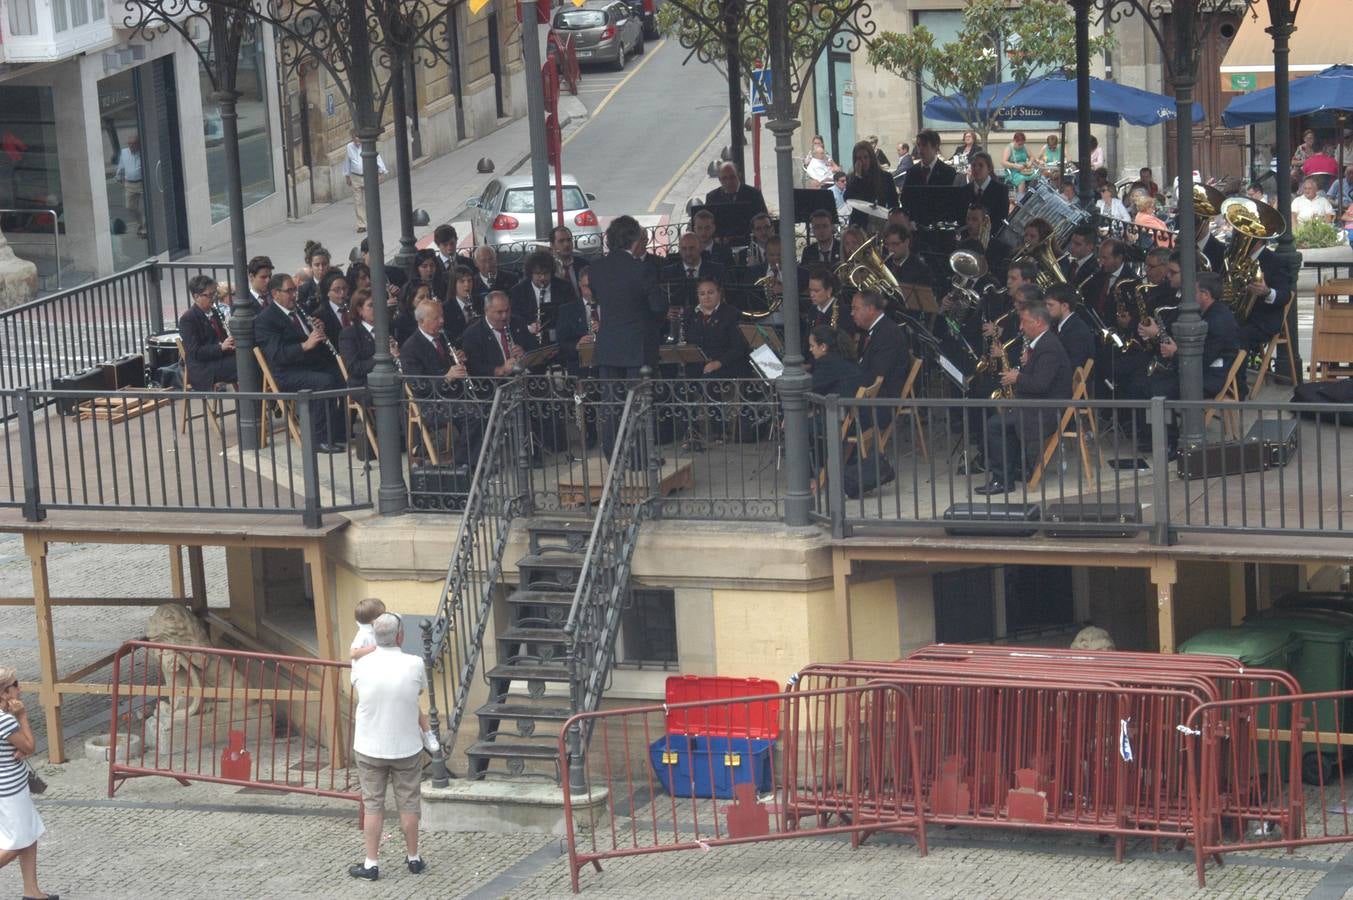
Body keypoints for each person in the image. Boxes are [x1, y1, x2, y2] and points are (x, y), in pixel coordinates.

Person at [348, 613, 432, 881]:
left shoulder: (362, 665)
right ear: (400, 636)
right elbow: (416, 694)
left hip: (369, 745)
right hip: (406, 745)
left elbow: (359, 686)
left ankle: (371, 863)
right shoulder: (415, 664)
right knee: (409, 804)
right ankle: (414, 858)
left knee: (373, 805)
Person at [975, 303, 1073, 495]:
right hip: (1037, 408)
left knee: (995, 425)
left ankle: (1002, 480)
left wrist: (1016, 377)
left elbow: (1040, 385)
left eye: (1024, 322)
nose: (1020, 327)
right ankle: (1014, 471)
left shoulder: (1048, 347)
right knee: (1002, 422)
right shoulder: (1043, 344)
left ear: (1037, 322)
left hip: (1044, 413)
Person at [254, 273, 346, 451]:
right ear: (275, 294)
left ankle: (338, 430)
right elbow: (277, 355)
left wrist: (318, 330)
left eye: (294, 290)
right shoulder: (266, 320)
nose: (294, 295)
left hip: (309, 364)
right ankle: (318, 439)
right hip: (287, 372)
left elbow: (309, 338)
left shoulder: (300, 309)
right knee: (324, 381)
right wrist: (305, 345)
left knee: (342, 373)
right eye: (289, 291)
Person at [0, 666, 55, 900]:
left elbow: (21, 746)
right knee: (17, 843)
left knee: (29, 834)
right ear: (4, 693)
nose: (19, 689)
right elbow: (30, 747)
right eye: (15, 685)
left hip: (7, 789)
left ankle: (32, 892)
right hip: (10, 791)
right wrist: (22, 717)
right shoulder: (6, 722)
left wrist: (20, 744)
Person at [589, 216, 667, 379]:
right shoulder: (642, 269)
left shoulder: (596, 269)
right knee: (638, 401)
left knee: (611, 401)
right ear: (635, 240)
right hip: (638, 348)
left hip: (607, 346)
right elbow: (658, 306)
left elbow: (597, 300)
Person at [178, 274, 237, 390]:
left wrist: (231, 343)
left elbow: (222, 338)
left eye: (213, 294)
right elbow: (195, 352)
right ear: (196, 296)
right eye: (208, 295)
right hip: (203, 368)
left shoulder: (214, 312)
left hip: (219, 360)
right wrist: (220, 347)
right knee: (245, 365)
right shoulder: (188, 319)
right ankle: (250, 404)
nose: (213, 298)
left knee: (248, 357)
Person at [461, 291, 538, 377]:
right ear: (486, 311)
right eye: (499, 312)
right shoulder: (473, 334)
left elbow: (535, 350)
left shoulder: (518, 322)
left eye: (507, 310)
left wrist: (525, 356)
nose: (505, 316)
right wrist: (500, 370)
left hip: (525, 380)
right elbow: (474, 368)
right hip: (495, 385)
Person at [508, 249, 576, 344]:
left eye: (546, 273)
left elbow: (572, 314)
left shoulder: (565, 287)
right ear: (530, 273)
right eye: (538, 274)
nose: (543, 278)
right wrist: (529, 327)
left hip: (561, 341)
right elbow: (514, 318)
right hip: (530, 343)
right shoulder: (518, 291)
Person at [663, 232, 726, 320]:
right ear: (679, 250)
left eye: (691, 248)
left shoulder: (717, 270)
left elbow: (724, 300)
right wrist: (666, 311)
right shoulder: (668, 272)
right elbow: (661, 301)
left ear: (700, 248)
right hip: (679, 323)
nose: (688, 253)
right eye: (684, 249)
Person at [338, 288, 387, 387]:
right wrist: (384, 357)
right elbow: (354, 368)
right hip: (364, 384)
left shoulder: (387, 328)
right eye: (371, 305)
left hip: (390, 380)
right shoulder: (349, 334)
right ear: (359, 310)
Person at [1045, 283, 1096, 374]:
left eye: (1050, 305)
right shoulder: (1055, 326)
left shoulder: (1078, 332)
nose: (1046, 308)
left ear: (1064, 306)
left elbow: (1071, 368)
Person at [343, 130, 387, 234]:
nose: (356, 140)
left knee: (370, 200)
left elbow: (377, 157)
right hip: (355, 177)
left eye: (357, 138)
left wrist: (381, 172)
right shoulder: (349, 147)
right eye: (354, 138)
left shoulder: (368, 145)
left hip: (368, 176)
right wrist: (347, 176)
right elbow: (347, 162)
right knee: (358, 201)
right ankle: (361, 224)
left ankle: (372, 222)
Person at [808, 325, 867, 396]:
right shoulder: (843, 356)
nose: (810, 349)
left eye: (812, 346)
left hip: (841, 405)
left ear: (823, 347)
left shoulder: (826, 364)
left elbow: (812, 388)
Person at [965, 152, 1009, 231]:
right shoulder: (965, 190)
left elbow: (1001, 219)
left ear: (989, 168)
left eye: (981, 165)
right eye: (974, 165)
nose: (976, 169)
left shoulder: (1001, 190)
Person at [115, 133, 145, 237]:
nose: (131, 146)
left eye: (133, 144)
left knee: (145, 206)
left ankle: (145, 227)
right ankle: (141, 224)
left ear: (138, 144)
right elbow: (121, 166)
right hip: (129, 184)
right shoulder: (124, 153)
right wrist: (119, 178)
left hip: (142, 183)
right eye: (129, 144)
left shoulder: (143, 152)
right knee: (130, 207)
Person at [442, 268, 479, 344]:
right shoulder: (446, 309)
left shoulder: (481, 303)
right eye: (462, 281)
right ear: (454, 284)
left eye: (469, 281)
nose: (467, 285)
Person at [551, 225, 590, 296]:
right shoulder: (549, 268)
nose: (566, 244)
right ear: (552, 245)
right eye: (561, 241)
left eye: (569, 240)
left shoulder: (584, 264)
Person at [296, 243, 331, 313]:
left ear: (328, 264)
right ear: (310, 266)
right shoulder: (304, 290)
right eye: (317, 265)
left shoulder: (337, 282)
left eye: (324, 264)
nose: (321, 268)